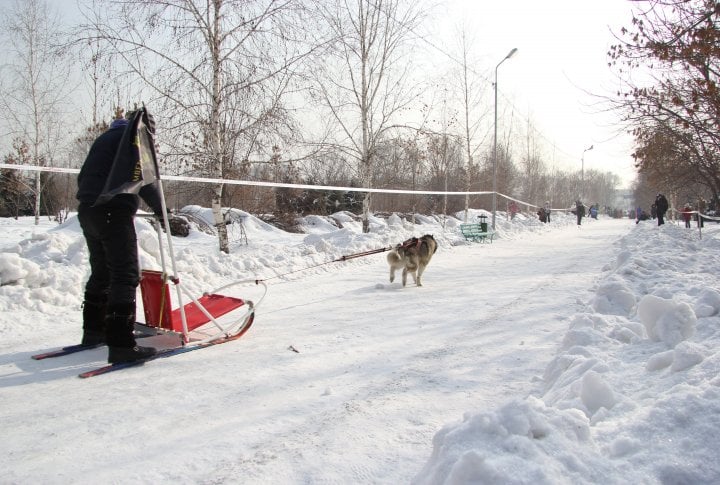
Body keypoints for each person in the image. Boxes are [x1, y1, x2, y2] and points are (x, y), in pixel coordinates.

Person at [76, 108, 164, 364]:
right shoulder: (131, 140)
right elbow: (146, 179)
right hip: (113, 212)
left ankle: (93, 332)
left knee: (102, 273)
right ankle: (121, 345)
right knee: (125, 275)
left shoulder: (104, 140)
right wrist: (161, 211)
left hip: (88, 211)